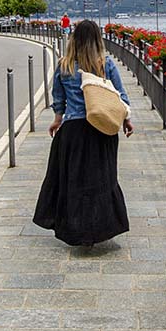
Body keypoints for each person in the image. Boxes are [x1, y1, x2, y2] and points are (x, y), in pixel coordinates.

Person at [33, 20, 133, 246]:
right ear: (98, 40)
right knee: (102, 179)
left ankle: (75, 229)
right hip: (101, 130)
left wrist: (57, 120)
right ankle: (99, 229)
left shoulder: (64, 65)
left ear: (74, 39)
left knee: (73, 180)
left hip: (73, 132)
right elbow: (121, 98)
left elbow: (59, 99)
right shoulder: (105, 64)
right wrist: (126, 120)